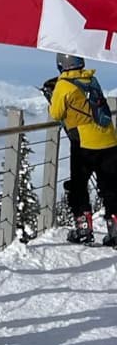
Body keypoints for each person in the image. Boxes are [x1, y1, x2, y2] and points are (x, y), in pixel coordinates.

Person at [44, 53, 117, 246]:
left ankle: (84, 229)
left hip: (84, 143)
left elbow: (56, 113)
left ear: (61, 65)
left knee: (78, 186)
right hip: (109, 139)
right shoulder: (92, 79)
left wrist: (52, 98)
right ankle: (115, 230)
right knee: (110, 186)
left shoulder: (63, 85)